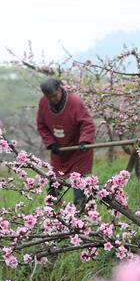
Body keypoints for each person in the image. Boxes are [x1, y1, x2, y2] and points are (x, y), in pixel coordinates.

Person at [35, 78, 96, 210]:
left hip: (78, 149)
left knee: (78, 183)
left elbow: (87, 124)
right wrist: (50, 144)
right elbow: (41, 126)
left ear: (60, 89)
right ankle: (51, 211)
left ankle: (80, 212)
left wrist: (84, 140)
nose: (52, 100)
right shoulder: (43, 103)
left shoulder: (74, 102)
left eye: (54, 96)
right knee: (54, 183)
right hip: (59, 150)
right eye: (49, 97)